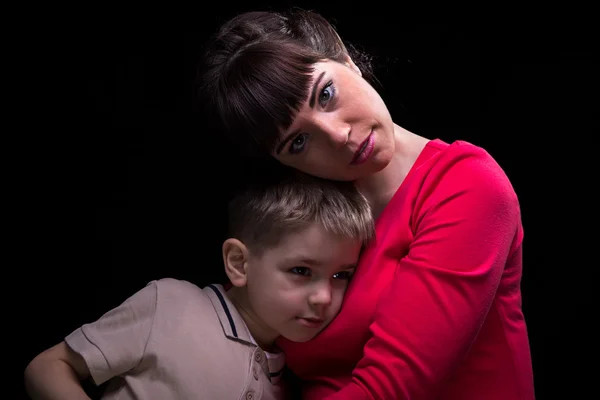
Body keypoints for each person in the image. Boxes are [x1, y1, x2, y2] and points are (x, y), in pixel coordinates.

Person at [198, 8, 536, 400]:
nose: (338, 135)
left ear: (344, 56)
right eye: (299, 142)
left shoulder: (467, 186)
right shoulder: (303, 214)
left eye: (325, 94)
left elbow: (389, 390)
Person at [23, 167, 375, 400]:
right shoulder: (172, 304)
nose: (323, 297)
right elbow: (49, 367)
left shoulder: (288, 379)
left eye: (340, 275)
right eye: (301, 270)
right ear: (239, 263)